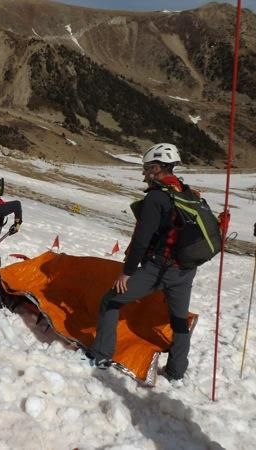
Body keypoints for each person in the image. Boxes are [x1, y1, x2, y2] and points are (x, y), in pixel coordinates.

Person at [89, 143, 197, 383]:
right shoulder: (187, 192)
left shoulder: (157, 197)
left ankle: (101, 356)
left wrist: (127, 273)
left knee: (111, 299)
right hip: (185, 270)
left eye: (147, 168)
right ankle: (176, 371)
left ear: (158, 168)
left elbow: (141, 240)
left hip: (160, 268)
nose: (144, 174)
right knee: (179, 320)